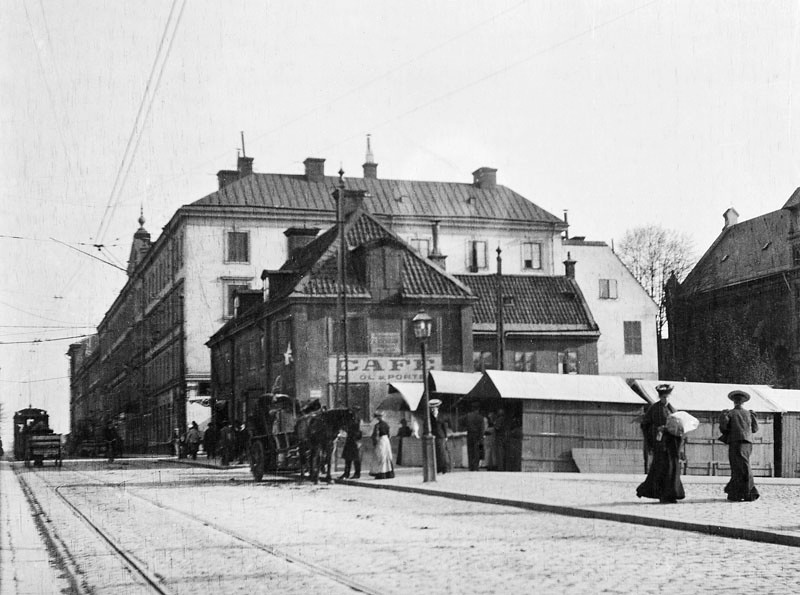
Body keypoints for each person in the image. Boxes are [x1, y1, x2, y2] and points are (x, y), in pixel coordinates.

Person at [636, 383, 685, 503]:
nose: (665, 399)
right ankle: (662, 494)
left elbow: (679, 425)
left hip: (672, 443)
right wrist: (657, 429)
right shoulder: (654, 409)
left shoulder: (673, 409)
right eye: (663, 397)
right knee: (661, 468)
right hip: (661, 443)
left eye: (667, 397)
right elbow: (645, 425)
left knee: (673, 467)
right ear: (659, 397)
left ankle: (672, 493)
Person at [719, 390, 760, 502]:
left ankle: (739, 493)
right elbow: (755, 429)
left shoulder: (729, 413)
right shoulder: (750, 414)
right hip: (747, 443)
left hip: (735, 442)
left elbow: (724, 429)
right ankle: (747, 492)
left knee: (736, 467)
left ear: (733, 402)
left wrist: (723, 418)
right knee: (745, 465)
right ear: (744, 402)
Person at [461, 401, 487, 471]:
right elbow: (482, 429)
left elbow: (460, 421)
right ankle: (476, 467)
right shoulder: (480, 417)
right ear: (478, 409)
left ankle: (471, 467)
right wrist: (481, 438)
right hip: (477, 436)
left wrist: (466, 426)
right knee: (477, 451)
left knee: (470, 451)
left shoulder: (467, 416)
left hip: (470, 434)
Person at [369, 411, 394, 479]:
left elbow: (375, 435)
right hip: (386, 440)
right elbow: (389, 435)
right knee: (386, 456)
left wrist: (374, 442)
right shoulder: (386, 424)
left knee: (380, 456)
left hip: (381, 440)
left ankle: (381, 473)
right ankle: (388, 473)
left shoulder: (378, 425)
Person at [429, 399, 450, 474]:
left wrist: (446, 436)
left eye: (434, 408)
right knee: (436, 453)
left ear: (437, 408)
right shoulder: (429, 417)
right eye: (432, 408)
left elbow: (444, 427)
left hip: (441, 436)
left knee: (442, 453)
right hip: (433, 436)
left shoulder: (442, 416)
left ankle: (445, 468)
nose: (433, 409)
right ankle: (438, 469)